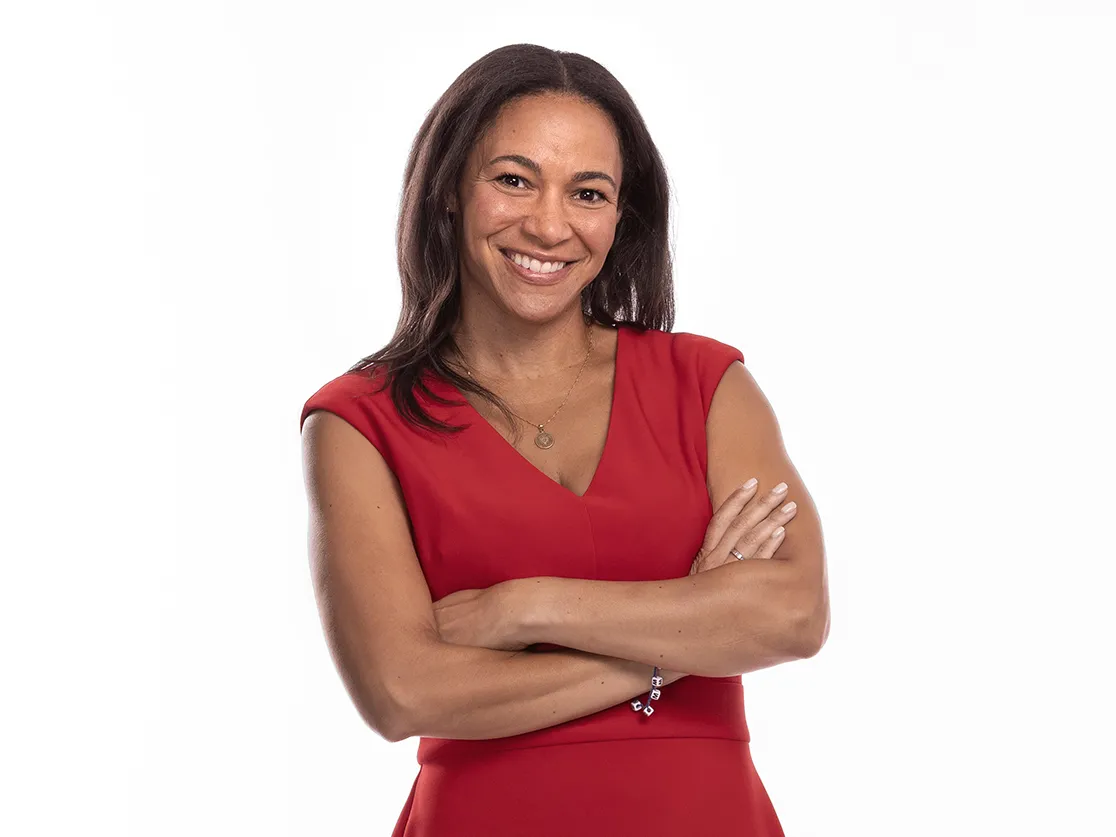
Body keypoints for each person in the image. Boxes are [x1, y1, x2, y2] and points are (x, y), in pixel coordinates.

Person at [299, 43, 829, 836]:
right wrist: (684, 636)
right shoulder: (360, 420)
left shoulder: (706, 384)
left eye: (588, 192)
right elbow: (401, 691)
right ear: (449, 190)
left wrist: (524, 606)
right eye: (513, 179)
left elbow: (793, 612)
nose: (548, 225)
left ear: (622, 216)